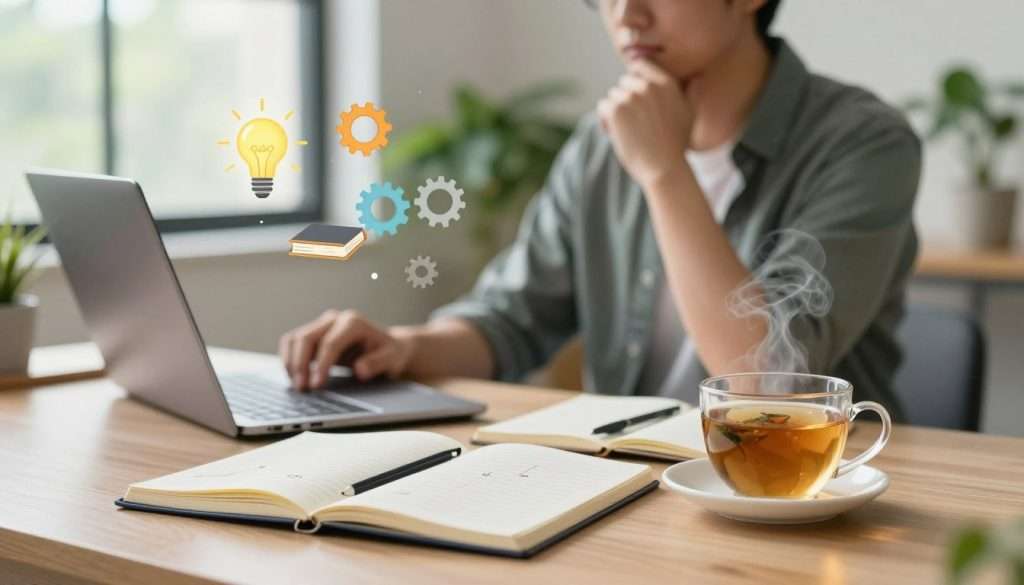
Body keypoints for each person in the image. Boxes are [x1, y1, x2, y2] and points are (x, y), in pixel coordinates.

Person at [279, 0, 920, 418]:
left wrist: (665, 171)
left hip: (807, 489)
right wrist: (401, 346)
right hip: (633, 481)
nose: (625, 15)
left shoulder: (864, 143)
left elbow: (767, 384)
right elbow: (511, 318)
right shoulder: (600, 143)